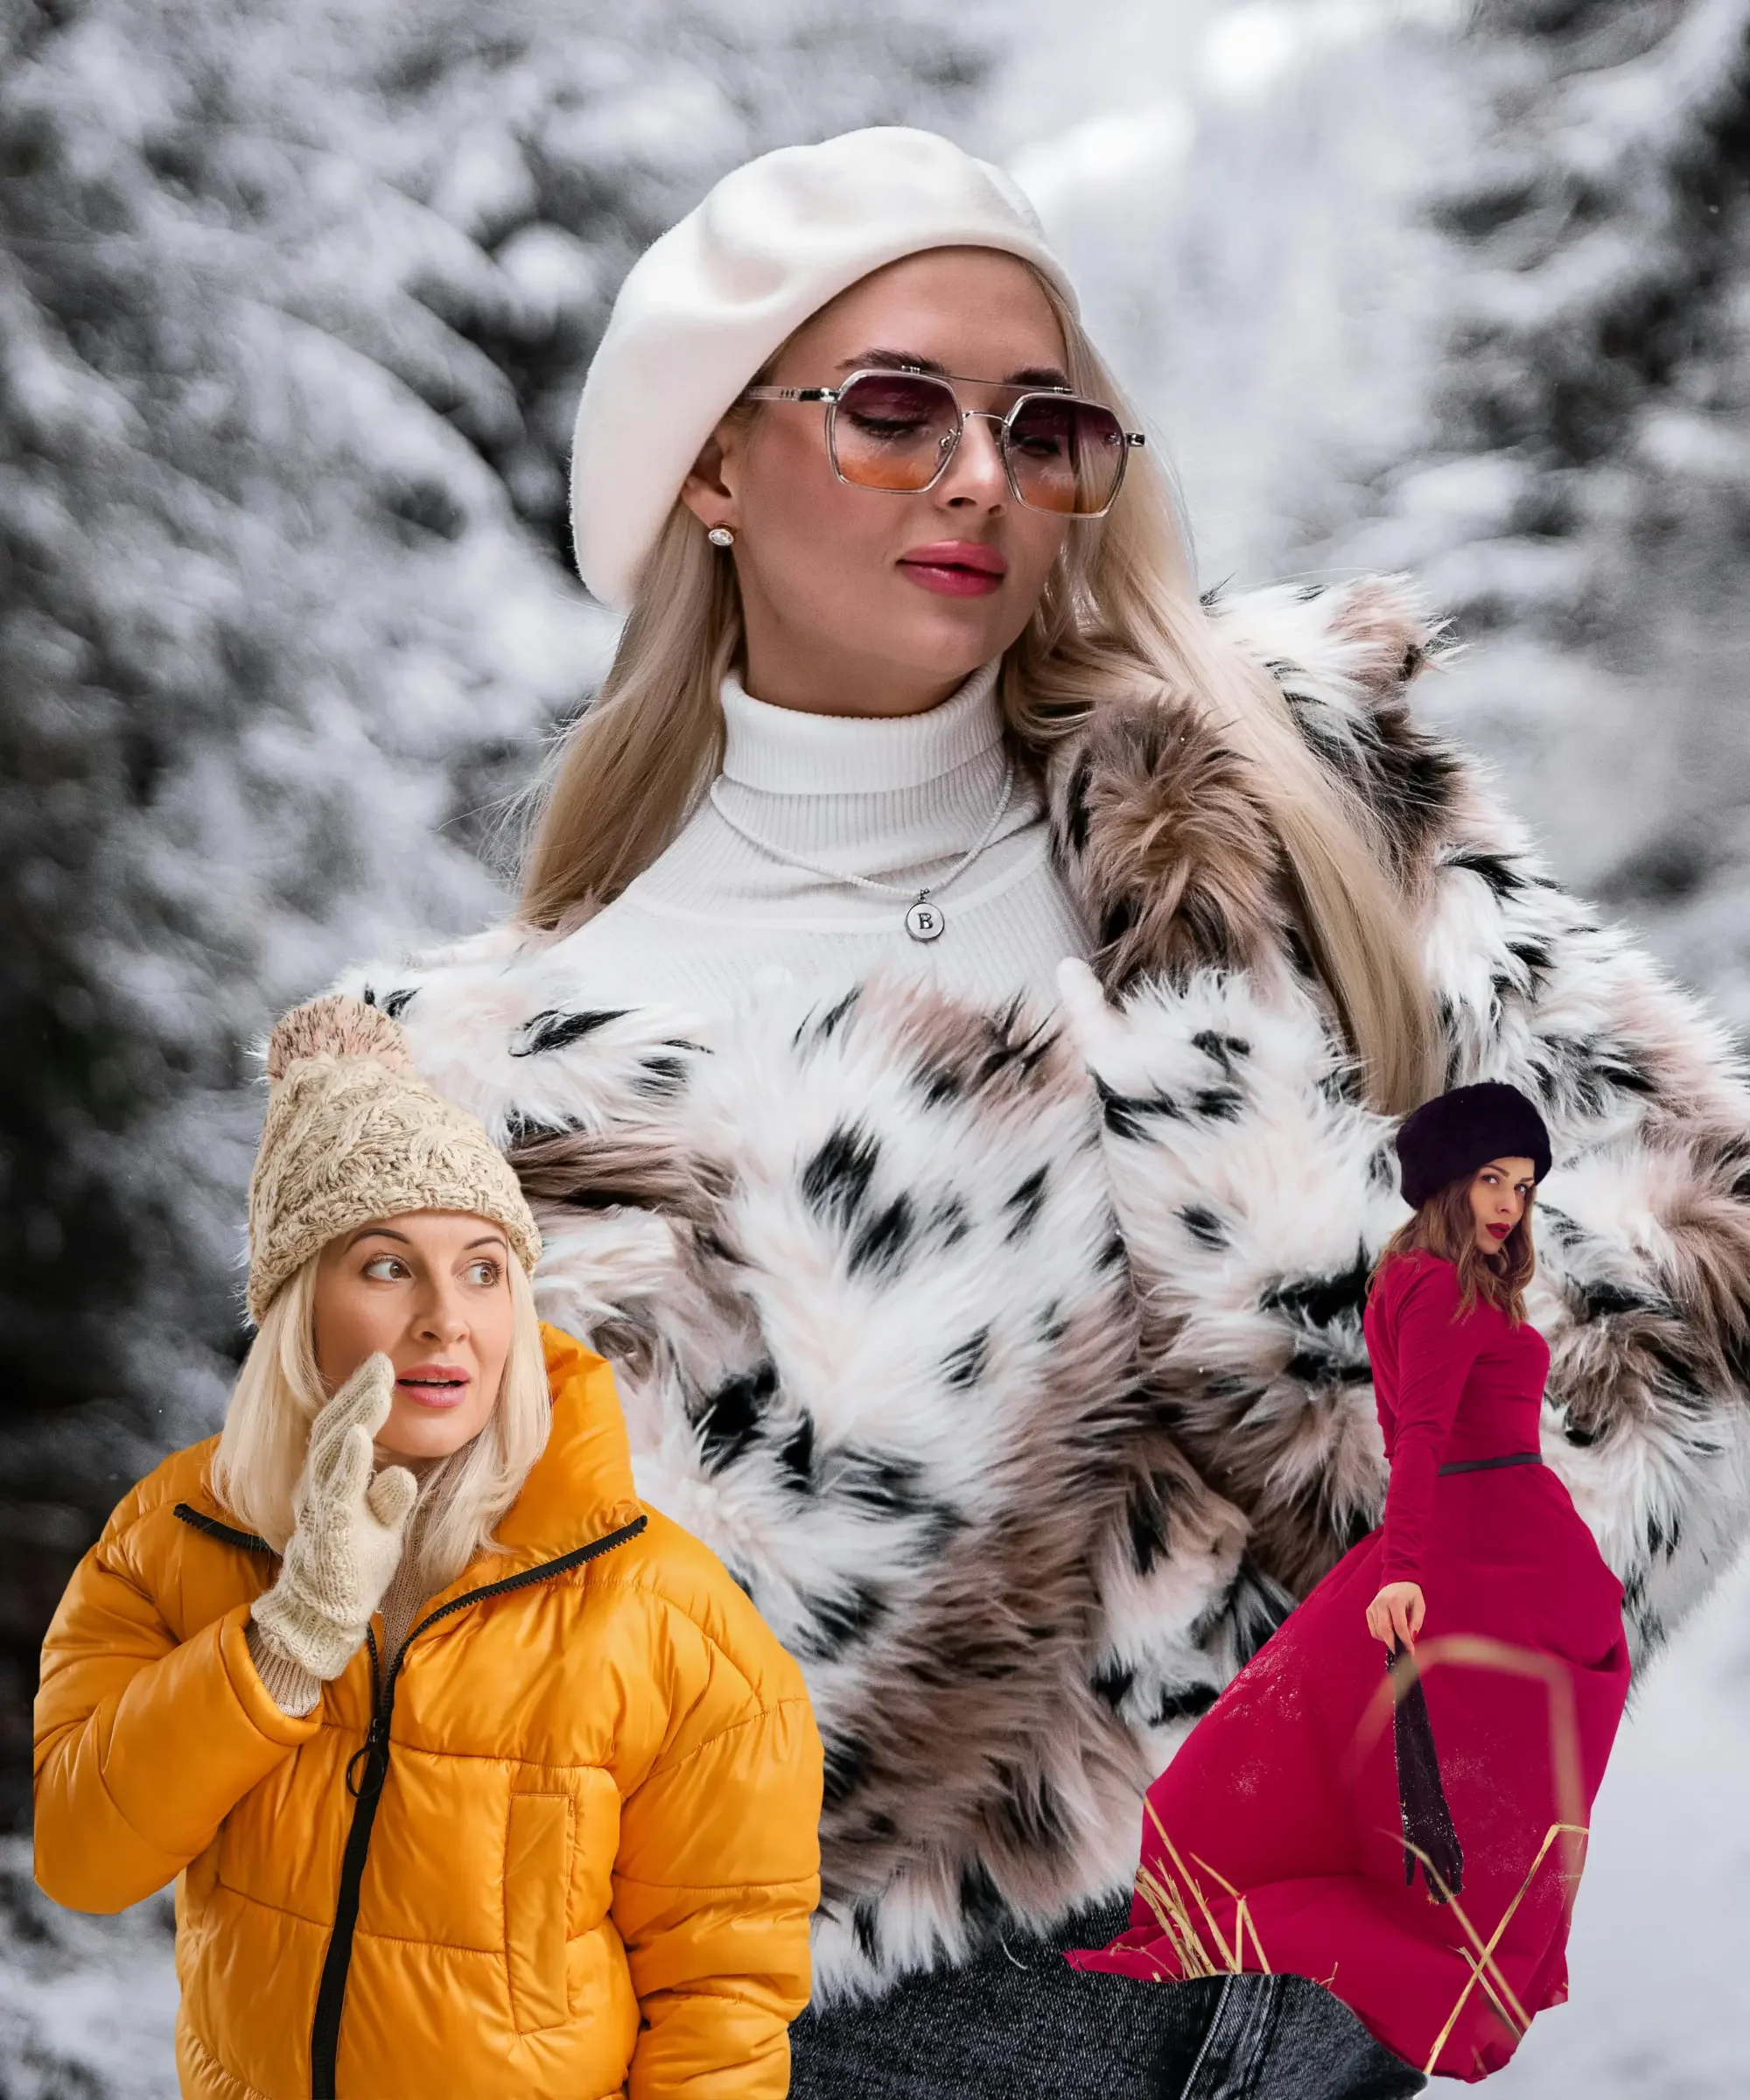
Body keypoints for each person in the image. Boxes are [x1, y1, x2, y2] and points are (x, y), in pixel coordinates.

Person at [331, 128, 1750, 2095]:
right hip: (872, 2039)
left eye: (1046, 424)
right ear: (715, 465)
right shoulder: (501, 1076)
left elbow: (1696, 1267)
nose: (983, 479)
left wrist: (1259, 1235)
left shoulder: (1274, 815)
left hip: (1310, 1988)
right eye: (897, 412)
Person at [32, 994, 822, 2100]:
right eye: (389, 1266)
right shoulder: (171, 1540)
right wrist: (284, 1643)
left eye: (485, 1268)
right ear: (298, 1301)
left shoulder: (671, 1623)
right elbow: (83, 1857)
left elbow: (723, 2011)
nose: (447, 1318)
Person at [1068, 1082, 1631, 2089]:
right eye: (1487, 1178)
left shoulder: (1450, 1283)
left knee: (1506, 1774)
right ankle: (1456, 1967)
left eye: (1521, 1184)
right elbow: (1414, 1439)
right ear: (1440, 1183)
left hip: (1522, 1545)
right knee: (1445, 1777)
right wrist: (1406, 1567)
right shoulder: (1432, 1290)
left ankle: (1487, 1958)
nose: (1506, 1202)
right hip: (1478, 1545)